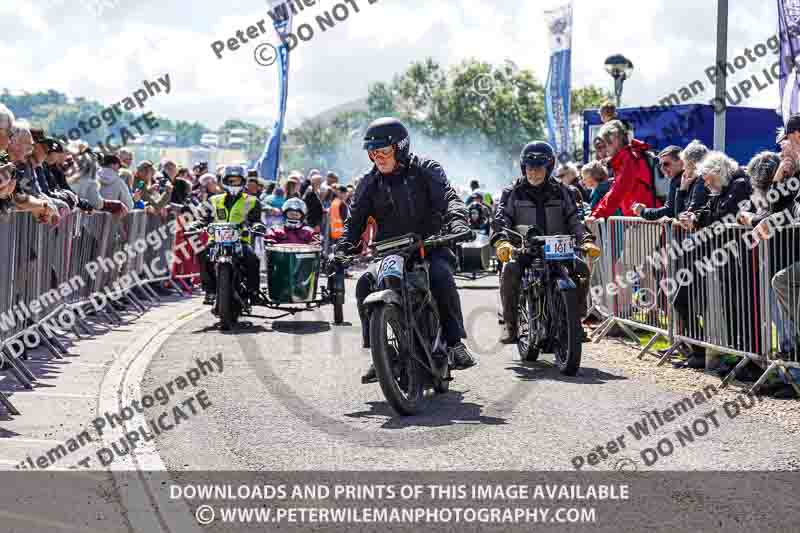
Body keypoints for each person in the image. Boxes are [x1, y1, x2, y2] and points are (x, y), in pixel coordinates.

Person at [334, 117, 477, 383]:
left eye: (384, 151)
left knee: (440, 276)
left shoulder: (426, 169)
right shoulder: (368, 184)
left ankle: (455, 344)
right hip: (390, 252)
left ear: (400, 148)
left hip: (430, 244)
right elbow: (353, 224)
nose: (378, 157)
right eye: (373, 152)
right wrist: (342, 248)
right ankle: (380, 352)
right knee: (365, 283)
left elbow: (448, 198)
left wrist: (458, 220)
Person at [492, 141, 598, 343]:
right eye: (530, 168)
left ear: (548, 168)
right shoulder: (512, 192)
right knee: (509, 271)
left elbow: (574, 219)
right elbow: (500, 219)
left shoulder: (562, 191)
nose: (534, 173)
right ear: (524, 168)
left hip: (557, 251)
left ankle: (575, 323)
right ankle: (511, 326)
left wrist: (585, 240)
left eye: (539, 168)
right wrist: (502, 242)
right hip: (525, 250)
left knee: (582, 269)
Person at [195, 165, 264, 306]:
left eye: (237, 181)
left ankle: (253, 292)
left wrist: (257, 225)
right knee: (202, 254)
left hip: (240, 241)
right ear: (224, 181)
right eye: (230, 180)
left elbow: (255, 219)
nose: (234, 183)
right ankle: (210, 291)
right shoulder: (214, 200)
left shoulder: (252, 201)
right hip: (216, 241)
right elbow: (204, 217)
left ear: (243, 181)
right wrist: (197, 224)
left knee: (253, 259)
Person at [585, 120, 656, 222]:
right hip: (639, 220)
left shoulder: (629, 158)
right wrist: (595, 214)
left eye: (606, 143)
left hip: (643, 221)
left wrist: (596, 215)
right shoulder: (628, 156)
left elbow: (617, 192)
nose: (605, 149)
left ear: (615, 138)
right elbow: (614, 191)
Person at [632, 145, 684, 220]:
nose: (662, 168)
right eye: (660, 165)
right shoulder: (676, 179)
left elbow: (669, 211)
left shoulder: (681, 179)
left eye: (666, 164)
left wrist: (643, 211)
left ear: (680, 162)